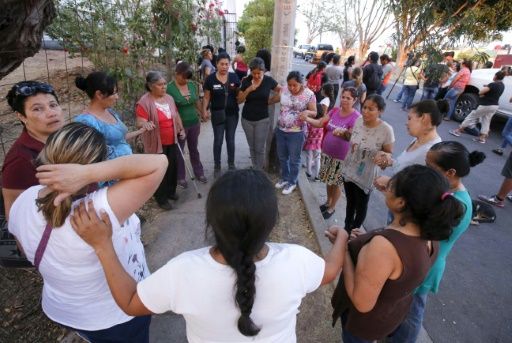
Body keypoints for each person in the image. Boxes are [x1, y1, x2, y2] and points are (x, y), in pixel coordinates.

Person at [69, 169, 350, 342]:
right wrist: (343, 238)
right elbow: (330, 270)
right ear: (271, 221)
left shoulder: (183, 270)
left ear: (212, 220)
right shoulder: (296, 260)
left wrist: (103, 246)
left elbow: (131, 303)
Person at [10, 122, 168, 342]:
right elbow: (159, 162)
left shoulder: (26, 198)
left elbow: (23, 249)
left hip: (63, 308)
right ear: (95, 165)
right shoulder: (98, 208)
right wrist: (89, 173)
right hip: (114, 315)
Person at [329, 164, 464, 342]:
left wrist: (344, 246)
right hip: (390, 315)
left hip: (364, 325)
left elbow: (361, 303)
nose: (387, 187)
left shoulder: (383, 247)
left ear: (401, 203)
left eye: (391, 186)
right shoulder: (430, 235)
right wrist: (365, 241)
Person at [386, 141, 485, 342]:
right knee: (405, 304)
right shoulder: (446, 193)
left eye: (431, 168)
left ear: (450, 172)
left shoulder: (458, 204)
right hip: (423, 259)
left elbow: (421, 228)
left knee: (413, 312)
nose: (426, 171)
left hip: (427, 265)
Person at [2, 81, 64, 219]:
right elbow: (15, 218)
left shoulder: (63, 140)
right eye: (38, 109)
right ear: (22, 116)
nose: (51, 113)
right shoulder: (20, 160)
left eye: (53, 105)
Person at [303, 88, 361, 219]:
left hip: (342, 157)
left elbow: (354, 137)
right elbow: (319, 123)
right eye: (343, 97)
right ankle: (328, 202)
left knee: (337, 183)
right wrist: (306, 118)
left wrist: (344, 133)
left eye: (348, 98)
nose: (344, 100)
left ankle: (332, 207)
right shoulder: (334, 111)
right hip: (327, 153)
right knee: (328, 180)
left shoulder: (356, 117)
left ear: (355, 100)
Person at [341, 95, 394, 233]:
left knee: (361, 205)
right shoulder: (358, 120)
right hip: (350, 169)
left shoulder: (386, 130)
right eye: (364, 107)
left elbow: (389, 154)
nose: (365, 111)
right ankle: (346, 228)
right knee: (350, 202)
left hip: (366, 175)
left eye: (371, 109)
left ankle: (355, 232)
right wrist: (344, 134)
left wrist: (383, 157)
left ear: (380, 111)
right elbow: (353, 139)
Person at [136, 71, 184, 210]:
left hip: (171, 140)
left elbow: (175, 115)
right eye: (160, 85)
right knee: (160, 171)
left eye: (164, 84)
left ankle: (171, 192)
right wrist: (145, 124)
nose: (164, 87)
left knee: (172, 167)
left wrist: (181, 129)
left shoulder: (169, 98)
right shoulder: (144, 102)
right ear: (151, 86)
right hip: (156, 143)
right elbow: (140, 121)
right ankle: (161, 198)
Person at [74, 71, 149, 161]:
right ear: (99, 94)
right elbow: (94, 156)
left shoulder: (110, 112)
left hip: (125, 167)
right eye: (114, 93)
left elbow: (118, 139)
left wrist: (140, 131)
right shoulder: (86, 122)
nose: (117, 97)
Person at [375, 99, 448, 175]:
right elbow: (406, 166)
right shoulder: (419, 138)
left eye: (409, 118)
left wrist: (389, 183)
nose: (406, 123)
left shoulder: (431, 152)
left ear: (424, 118)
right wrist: (389, 161)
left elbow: (419, 185)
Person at [275, 71, 317, 195]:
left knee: (294, 159)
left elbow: (314, 112)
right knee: (282, 157)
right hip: (281, 130)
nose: (291, 88)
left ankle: (292, 182)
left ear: (301, 83)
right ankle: (285, 178)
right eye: (289, 85)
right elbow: (276, 98)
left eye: (294, 85)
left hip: (297, 133)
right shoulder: (284, 90)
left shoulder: (309, 94)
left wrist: (307, 113)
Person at [166, 62, 207, 188]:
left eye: (187, 77)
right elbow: (170, 108)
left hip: (194, 122)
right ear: (176, 74)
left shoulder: (192, 85)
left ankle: (199, 172)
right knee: (180, 151)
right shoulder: (169, 88)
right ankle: (181, 177)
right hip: (180, 125)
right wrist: (178, 125)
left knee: (194, 149)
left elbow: (196, 101)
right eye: (183, 77)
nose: (185, 80)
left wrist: (202, 113)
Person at [237, 57, 281, 170]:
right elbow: (239, 100)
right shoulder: (246, 81)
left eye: (259, 73)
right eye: (254, 73)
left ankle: (258, 171)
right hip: (247, 119)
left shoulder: (268, 80)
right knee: (252, 146)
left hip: (262, 119)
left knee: (260, 148)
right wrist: (249, 89)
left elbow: (281, 90)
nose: (256, 76)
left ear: (264, 70)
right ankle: (254, 167)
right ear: (250, 71)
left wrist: (271, 101)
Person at [203, 52, 241, 173]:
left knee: (230, 139)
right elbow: (206, 97)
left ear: (229, 65)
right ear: (216, 64)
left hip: (232, 114)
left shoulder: (234, 77)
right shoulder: (210, 79)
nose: (224, 66)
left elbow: (239, 96)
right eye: (222, 64)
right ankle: (217, 165)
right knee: (218, 140)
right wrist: (204, 110)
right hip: (217, 114)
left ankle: (231, 164)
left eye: (226, 64)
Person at [449, 71, 506, 143]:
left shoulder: (493, 84)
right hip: (494, 106)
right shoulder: (502, 85)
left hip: (486, 104)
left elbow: (480, 92)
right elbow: (494, 92)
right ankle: (482, 138)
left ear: (496, 76)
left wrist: (486, 88)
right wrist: (488, 88)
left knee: (471, 116)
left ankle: (458, 131)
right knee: (486, 121)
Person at [303, 106, 325, 181]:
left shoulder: (310, 122)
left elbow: (306, 132)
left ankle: (309, 172)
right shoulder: (323, 121)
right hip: (319, 143)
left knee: (309, 157)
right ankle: (317, 176)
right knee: (317, 159)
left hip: (310, 141)